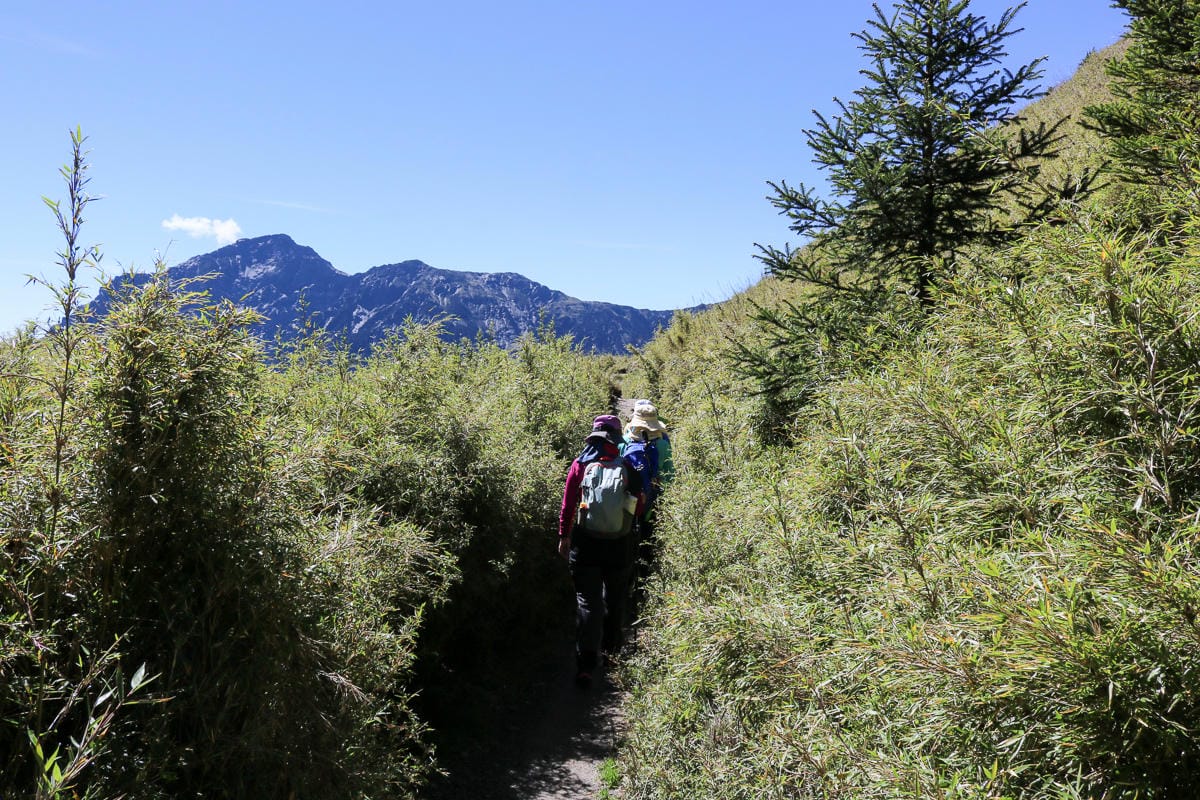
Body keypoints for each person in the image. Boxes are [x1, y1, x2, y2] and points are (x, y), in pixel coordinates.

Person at [558, 414, 642, 687]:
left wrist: (563, 536)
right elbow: (639, 508)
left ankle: (585, 664)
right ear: (617, 438)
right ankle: (611, 655)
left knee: (587, 601)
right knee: (615, 599)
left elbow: (568, 504)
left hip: (585, 546)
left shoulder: (580, 465)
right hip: (619, 546)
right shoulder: (629, 466)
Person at [621, 400, 673, 608]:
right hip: (652, 500)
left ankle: (624, 584)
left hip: (628, 501)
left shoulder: (625, 441)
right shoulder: (663, 443)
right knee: (647, 538)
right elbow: (670, 475)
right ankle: (644, 586)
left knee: (626, 539)